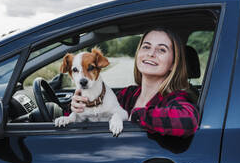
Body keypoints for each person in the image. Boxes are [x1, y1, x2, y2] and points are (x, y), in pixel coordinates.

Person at [71, 27, 199, 137]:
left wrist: (138, 115)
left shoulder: (175, 98)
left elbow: (187, 121)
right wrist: (77, 107)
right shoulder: (128, 94)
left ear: (173, 63)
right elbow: (92, 114)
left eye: (161, 50)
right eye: (146, 47)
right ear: (138, 53)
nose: (151, 53)